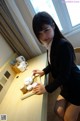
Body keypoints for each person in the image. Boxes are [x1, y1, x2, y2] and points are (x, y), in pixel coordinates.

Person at [32, 11, 80, 121]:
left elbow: (64, 75)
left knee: (68, 119)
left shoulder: (63, 45)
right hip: (67, 86)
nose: (44, 36)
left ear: (53, 26)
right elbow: (53, 63)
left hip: (76, 85)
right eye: (40, 33)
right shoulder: (50, 43)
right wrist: (44, 71)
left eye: (46, 30)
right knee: (58, 111)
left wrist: (46, 88)